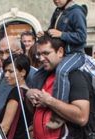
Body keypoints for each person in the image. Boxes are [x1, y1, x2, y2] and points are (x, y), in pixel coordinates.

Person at [27, 34, 90, 139]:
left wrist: (50, 101)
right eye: (39, 54)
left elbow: (82, 116)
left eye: (46, 53)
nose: (42, 58)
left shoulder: (74, 76)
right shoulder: (42, 76)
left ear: (60, 51)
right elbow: (35, 113)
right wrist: (29, 96)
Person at [36, 0, 87, 129]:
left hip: (75, 54)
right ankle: (36, 113)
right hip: (63, 54)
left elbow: (82, 37)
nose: (56, 0)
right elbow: (52, 32)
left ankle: (59, 114)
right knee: (38, 75)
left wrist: (62, 35)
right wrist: (45, 34)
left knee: (62, 71)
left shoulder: (76, 12)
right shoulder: (58, 12)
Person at [0, 55, 33, 139]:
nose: (6, 75)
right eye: (5, 71)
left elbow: (5, 127)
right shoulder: (29, 94)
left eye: (11, 71)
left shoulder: (16, 92)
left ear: (23, 72)